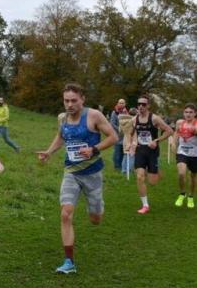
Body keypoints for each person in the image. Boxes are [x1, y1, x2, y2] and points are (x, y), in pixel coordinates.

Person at [37, 83, 117, 274]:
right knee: (65, 213)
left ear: (82, 99)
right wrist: (49, 152)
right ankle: (69, 262)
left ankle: (97, 207)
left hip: (93, 174)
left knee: (95, 218)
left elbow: (114, 137)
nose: (70, 104)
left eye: (74, 100)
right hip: (71, 172)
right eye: (66, 100)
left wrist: (94, 149)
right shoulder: (62, 118)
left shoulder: (94, 115)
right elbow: (61, 137)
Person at [127, 95, 174, 214]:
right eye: (139, 104)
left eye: (143, 104)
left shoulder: (155, 118)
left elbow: (169, 131)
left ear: (148, 106)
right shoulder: (134, 120)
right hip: (141, 150)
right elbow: (130, 133)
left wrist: (156, 140)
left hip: (152, 151)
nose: (141, 106)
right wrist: (132, 142)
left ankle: (156, 171)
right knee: (139, 177)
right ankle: (145, 205)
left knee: (152, 181)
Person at [172, 103, 197, 208]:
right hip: (182, 152)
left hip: (195, 154)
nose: (188, 114)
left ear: (195, 113)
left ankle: (191, 196)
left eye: (191, 112)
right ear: (183, 113)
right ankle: (182, 194)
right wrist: (174, 145)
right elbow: (176, 135)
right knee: (181, 173)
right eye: (186, 112)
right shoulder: (179, 123)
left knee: (193, 177)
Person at [109, 98, 128, 170]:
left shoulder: (126, 112)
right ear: (118, 103)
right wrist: (119, 129)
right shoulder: (114, 113)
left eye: (123, 103)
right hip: (117, 135)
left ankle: (122, 166)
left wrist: (125, 128)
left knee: (123, 152)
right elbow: (112, 124)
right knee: (117, 152)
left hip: (124, 136)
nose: (121, 104)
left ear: (125, 104)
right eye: (120, 103)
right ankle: (117, 167)